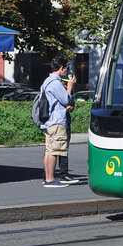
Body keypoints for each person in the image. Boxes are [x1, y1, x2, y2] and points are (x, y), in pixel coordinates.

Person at [41, 59, 75, 188]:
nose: (67, 71)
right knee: (55, 150)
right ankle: (51, 179)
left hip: (49, 121)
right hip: (57, 121)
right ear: (61, 67)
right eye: (66, 68)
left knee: (49, 150)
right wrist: (69, 87)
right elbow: (66, 100)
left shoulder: (46, 82)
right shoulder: (55, 83)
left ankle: (47, 178)